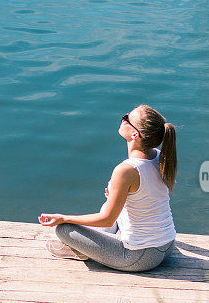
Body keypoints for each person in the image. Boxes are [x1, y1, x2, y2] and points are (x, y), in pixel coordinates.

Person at [38, 105, 177, 272]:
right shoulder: (158, 155)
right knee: (108, 206)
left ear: (135, 134)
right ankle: (92, 248)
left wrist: (63, 218)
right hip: (167, 245)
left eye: (127, 118)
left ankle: (84, 252)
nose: (123, 118)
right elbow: (147, 195)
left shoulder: (126, 170)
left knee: (64, 230)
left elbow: (107, 220)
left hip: (138, 257)